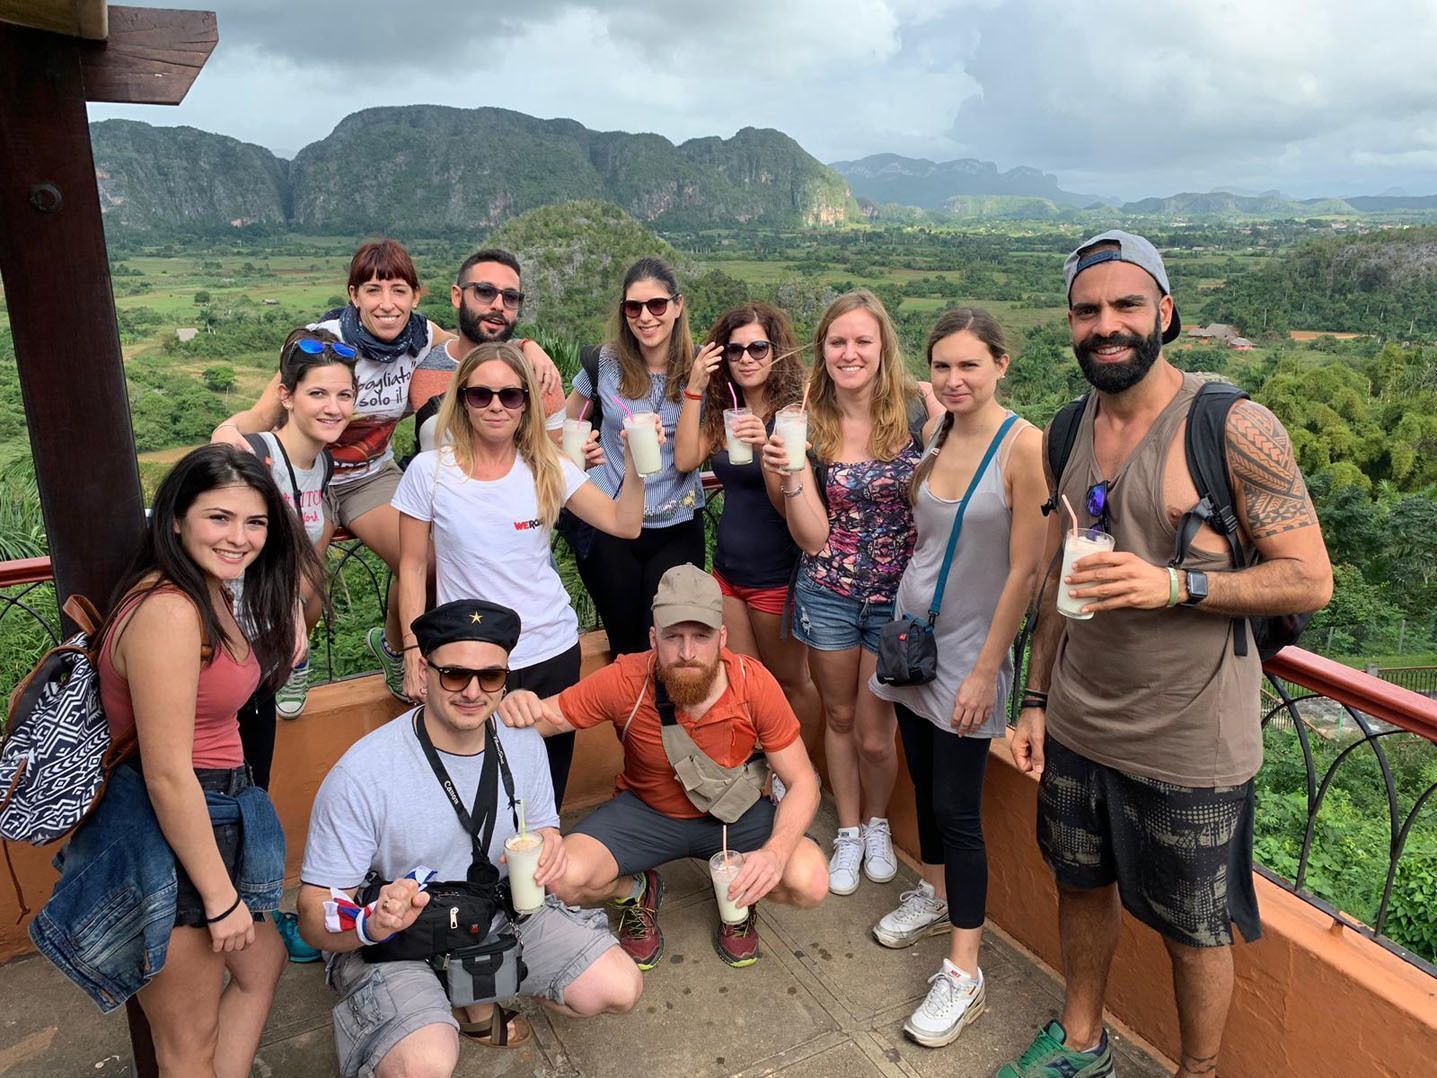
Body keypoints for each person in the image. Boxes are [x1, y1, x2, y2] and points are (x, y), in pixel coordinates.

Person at [1000, 231, 1332, 1078]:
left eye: (1125, 306)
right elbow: (1056, 578)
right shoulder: (1066, 430)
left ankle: (1198, 1071)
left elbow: (1308, 579)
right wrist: (1035, 700)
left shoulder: (1232, 426)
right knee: (1077, 887)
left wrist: (1175, 586)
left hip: (1191, 740)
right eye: (1087, 310)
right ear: (1068, 324)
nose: (1105, 325)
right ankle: (1080, 1042)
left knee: (1193, 924)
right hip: (1078, 721)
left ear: (1165, 314)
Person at [35, 445, 317, 1076]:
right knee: (187, 1043)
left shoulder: (208, 591)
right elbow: (167, 772)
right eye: (219, 518)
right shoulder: (167, 610)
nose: (239, 538)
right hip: (177, 828)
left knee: (261, 962)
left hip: (218, 810)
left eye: (255, 523)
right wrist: (219, 900)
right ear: (177, 520)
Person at [297, 599, 642, 1075]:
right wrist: (370, 923)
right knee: (424, 1063)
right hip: (396, 940)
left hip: (497, 911)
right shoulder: (364, 773)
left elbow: (542, 826)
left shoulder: (522, 743)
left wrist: (551, 845)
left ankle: (470, 992)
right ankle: (430, 1006)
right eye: (455, 674)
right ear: (423, 668)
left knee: (619, 988)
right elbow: (313, 918)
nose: (473, 692)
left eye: (492, 677)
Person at [211, 239, 561, 700]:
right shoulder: (321, 342)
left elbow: (477, 340)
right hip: (307, 471)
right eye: (373, 291)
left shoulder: (419, 336)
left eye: (399, 290)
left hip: (369, 477)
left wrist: (529, 347)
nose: (387, 304)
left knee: (426, 557)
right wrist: (222, 438)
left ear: (416, 296)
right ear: (353, 295)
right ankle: (292, 659)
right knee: (305, 589)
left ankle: (396, 651)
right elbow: (259, 417)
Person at [498, 565, 829, 970]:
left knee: (809, 881)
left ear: (722, 638)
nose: (688, 652)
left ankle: (740, 892)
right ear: (654, 638)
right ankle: (636, 888)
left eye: (701, 637)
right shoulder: (626, 679)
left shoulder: (752, 683)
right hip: (647, 811)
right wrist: (514, 704)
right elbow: (544, 718)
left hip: (731, 814)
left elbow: (802, 783)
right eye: (674, 637)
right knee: (558, 879)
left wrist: (774, 856)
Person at [866, 309, 1046, 1048]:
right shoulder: (938, 428)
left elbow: (1027, 570)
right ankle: (935, 894)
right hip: (912, 646)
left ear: (1001, 364)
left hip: (968, 656)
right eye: (941, 365)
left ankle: (964, 972)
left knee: (958, 810)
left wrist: (984, 672)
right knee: (922, 785)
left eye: (969, 364)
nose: (953, 378)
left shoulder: (1022, 446)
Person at [393, 340, 645, 809]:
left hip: (550, 649)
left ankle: (535, 881)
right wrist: (413, 648)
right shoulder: (430, 472)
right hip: (471, 657)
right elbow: (411, 566)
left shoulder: (547, 466)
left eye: (510, 396)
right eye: (480, 394)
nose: (495, 406)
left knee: (545, 786)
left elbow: (623, 523)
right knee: (472, 786)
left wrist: (636, 465)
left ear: (526, 404)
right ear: (462, 399)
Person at [760, 290, 938, 897]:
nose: (850, 352)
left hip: (898, 598)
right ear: (823, 349)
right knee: (838, 717)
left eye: (863, 340)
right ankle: (850, 830)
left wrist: (940, 422)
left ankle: (880, 823)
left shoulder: (915, 412)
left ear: (883, 345)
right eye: (838, 341)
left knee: (873, 732)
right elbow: (811, 538)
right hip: (830, 592)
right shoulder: (802, 423)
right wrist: (788, 473)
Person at [673, 302, 822, 775]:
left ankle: (802, 773)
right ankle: (768, 767)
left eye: (758, 347)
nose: (747, 357)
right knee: (746, 680)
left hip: (776, 574)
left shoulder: (794, 418)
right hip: (728, 572)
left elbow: (786, 505)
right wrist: (696, 389)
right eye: (735, 350)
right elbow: (682, 461)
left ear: (776, 352)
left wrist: (766, 449)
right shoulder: (727, 412)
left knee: (791, 682)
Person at [567, 257, 706, 657]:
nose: (645, 317)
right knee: (627, 646)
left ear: (678, 305)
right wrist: (579, 452)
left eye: (657, 305)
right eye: (634, 307)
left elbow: (698, 447)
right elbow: (562, 421)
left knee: (676, 645)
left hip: (677, 523)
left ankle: (665, 717)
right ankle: (630, 721)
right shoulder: (604, 363)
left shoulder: (700, 368)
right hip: (610, 522)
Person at [408, 248, 569, 452]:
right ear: (457, 296)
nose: (498, 305)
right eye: (484, 291)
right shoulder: (420, 367)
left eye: (510, 297)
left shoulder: (539, 375)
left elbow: (557, 464)